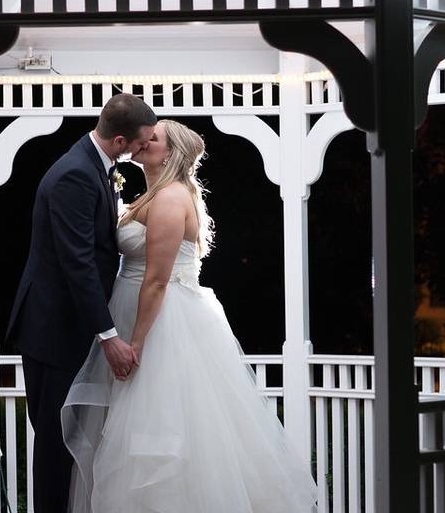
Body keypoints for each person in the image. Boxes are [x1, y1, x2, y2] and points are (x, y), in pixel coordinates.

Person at [62, 119, 318, 512]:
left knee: (162, 433)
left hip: (163, 325)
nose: (145, 141)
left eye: (154, 138)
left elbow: (157, 281)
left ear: (171, 153)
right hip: (138, 314)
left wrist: (136, 344)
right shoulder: (151, 194)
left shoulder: (169, 199)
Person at [5, 93, 157, 513]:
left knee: (72, 440)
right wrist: (108, 335)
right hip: (53, 330)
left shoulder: (95, 166)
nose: (143, 151)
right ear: (121, 140)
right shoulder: (75, 174)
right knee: (55, 442)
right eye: (141, 144)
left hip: (70, 327)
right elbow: (79, 263)